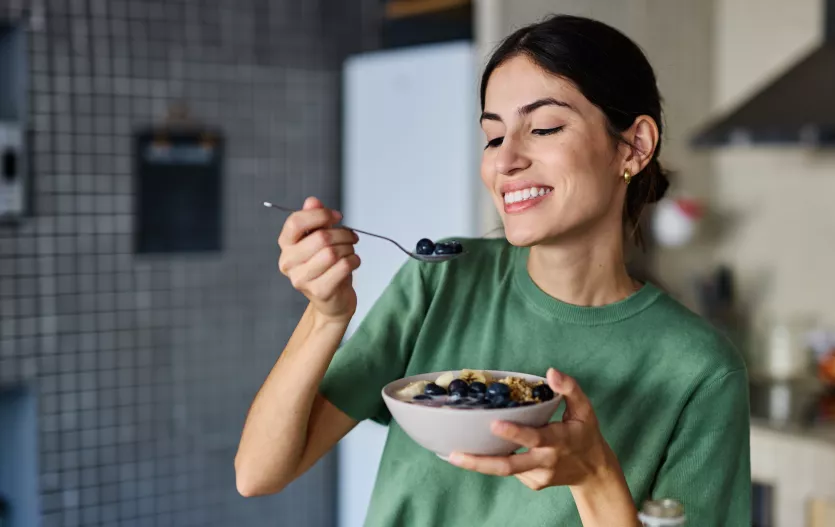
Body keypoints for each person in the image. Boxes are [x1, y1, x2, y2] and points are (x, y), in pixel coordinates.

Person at [235, 14, 750, 527]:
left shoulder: (701, 370)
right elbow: (258, 474)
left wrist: (594, 475)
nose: (505, 161)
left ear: (634, 146)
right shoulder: (442, 279)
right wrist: (327, 315)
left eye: (544, 127)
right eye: (493, 137)